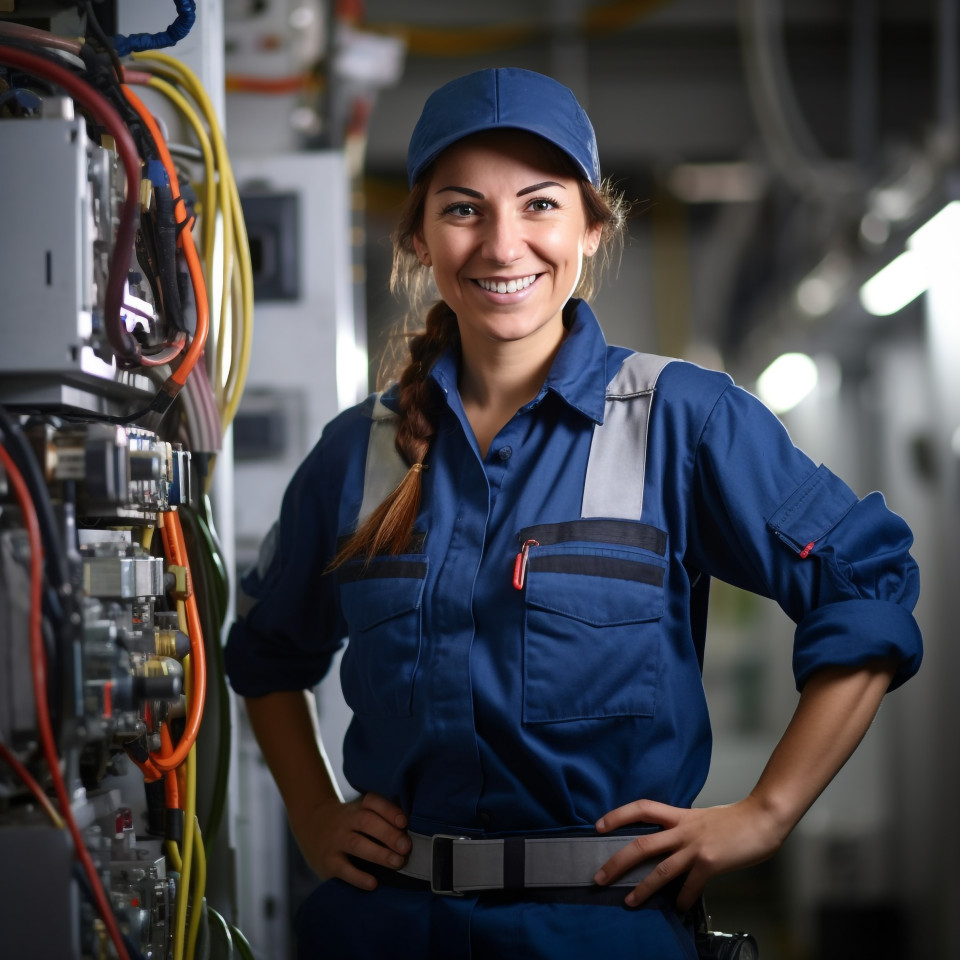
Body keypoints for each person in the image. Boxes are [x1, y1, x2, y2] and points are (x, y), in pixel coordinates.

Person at [224, 68, 922, 960]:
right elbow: (266, 656)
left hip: (600, 933)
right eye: (464, 208)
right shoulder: (356, 454)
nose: (502, 243)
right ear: (422, 236)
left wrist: (766, 814)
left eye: (541, 206)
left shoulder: (684, 421)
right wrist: (317, 814)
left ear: (591, 228)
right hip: (384, 930)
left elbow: (865, 583)